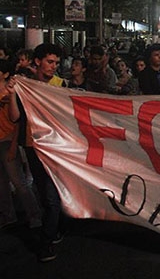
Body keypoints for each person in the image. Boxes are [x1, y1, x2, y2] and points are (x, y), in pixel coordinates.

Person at [7, 43, 68, 262]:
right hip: (32, 147)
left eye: (56, 63)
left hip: (54, 148)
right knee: (45, 194)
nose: (53, 67)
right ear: (37, 61)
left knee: (51, 197)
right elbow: (15, 118)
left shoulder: (60, 85)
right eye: (50, 62)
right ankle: (56, 226)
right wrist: (14, 93)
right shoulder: (27, 86)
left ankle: (46, 242)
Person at [0, 59, 42, 232]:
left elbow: (16, 121)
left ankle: (35, 216)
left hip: (7, 140)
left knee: (19, 182)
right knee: (1, 182)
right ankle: (8, 215)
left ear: (5, 74)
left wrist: (13, 146)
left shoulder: (10, 92)